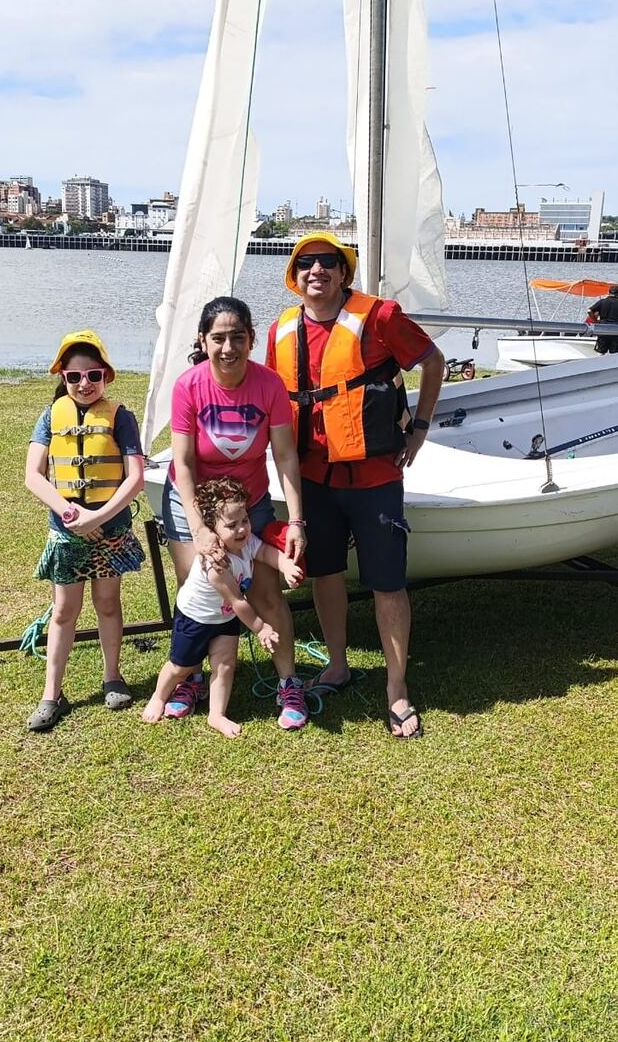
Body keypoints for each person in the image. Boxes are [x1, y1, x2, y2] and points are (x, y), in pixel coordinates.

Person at [266, 233, 445, 740]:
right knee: (325, 574)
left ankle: (397, 687)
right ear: (294, 275)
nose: (316, 271)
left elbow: (433, 362)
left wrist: (420, 426)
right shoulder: (280, 330)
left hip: (374, 478)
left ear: (344, 273)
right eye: (305, 263)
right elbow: (268, 398)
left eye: (328, 263)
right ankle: (338, 665)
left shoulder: (380, 317)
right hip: (313, 479)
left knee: (387, 582)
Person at [162, 296, 308, 729]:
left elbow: (285, 457)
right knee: (199, 592)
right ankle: (191, 676)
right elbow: (184, 464)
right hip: (191, 499)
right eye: (219, 338)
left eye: (238, 338)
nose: (229, 348)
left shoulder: (269, 385)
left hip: (248, 504)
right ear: (203, 341)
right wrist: (199, 528)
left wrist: (296, 521)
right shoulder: (188, 385)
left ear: (251, 339)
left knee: (265, 592)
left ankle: (289, 683)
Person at [24, 330, 145, 731]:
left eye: (93, 375)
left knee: (107, 603)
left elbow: (135, 478)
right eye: (74, 377)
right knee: (64, 610)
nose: (84, 384)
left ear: (106, 375)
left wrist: (99, 518)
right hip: (66, 530)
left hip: (109, 527)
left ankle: (113, 676)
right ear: (63, 377)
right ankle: (51, 694)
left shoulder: (120, 417)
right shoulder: (49, 416)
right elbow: (33, 475)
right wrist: (69, 512)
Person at [144, 477, 304, 736]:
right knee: (179, 665)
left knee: (225, 664)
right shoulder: (216, 564)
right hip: (195, 618)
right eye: (232, 525)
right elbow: (239, 601)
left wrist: (285, 565)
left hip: (223, 619)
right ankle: (159, 697)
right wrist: (261, 628)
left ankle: (216, 715)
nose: (242, 529)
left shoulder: (246, 541)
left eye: (244, 520)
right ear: (212, 528)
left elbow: (263, 552)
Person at [587, 284, 618, 354]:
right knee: (615, 353)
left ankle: (599, 364)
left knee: (601, 352)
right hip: (616, 329)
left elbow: (589, 311)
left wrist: (595, 320)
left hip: (603, 328)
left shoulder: (602, 302)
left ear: (609, 292)